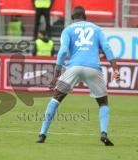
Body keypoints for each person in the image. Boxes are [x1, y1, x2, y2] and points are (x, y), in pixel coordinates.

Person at [36, 6, 120, 146]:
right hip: (93, 68)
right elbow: (107, 47)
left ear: (72, 19)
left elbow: (63, 52)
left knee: (56, 98)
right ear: (85, 17)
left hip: (73, 68)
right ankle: (104, 133)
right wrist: (115, 68)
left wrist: (55, 76)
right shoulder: (97, 29)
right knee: (103, 102)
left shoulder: (68, 30)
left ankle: (42, 134)